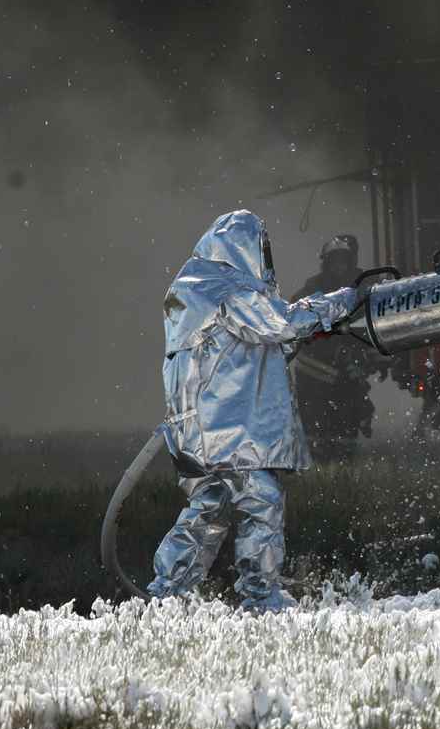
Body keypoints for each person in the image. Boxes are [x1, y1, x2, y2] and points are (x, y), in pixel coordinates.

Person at [148, 210, 360, 610]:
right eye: (260, 248)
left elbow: (252, 347)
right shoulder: (224, 287)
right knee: (262, 502)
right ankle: (261, 596)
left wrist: (299, 331)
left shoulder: (192, 286)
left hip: (196, 432)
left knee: (207, 512)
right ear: (244, 246)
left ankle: (166, 595)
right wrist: (340, 301)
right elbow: (278, 324)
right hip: (230, 431)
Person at [288, 234, 391, 461]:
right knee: (316, 430)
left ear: (351, 262)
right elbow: (295, 322)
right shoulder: (312, 289)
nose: (339, 267)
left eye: (344, 262)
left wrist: (376, 359)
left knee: (347, 428)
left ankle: (343, 465)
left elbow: (372, 325)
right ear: (326, 264)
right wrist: (331, 347)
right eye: (334, 262)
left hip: (347, 377)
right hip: (314, 377)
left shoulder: (362, 288)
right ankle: (319, 467)